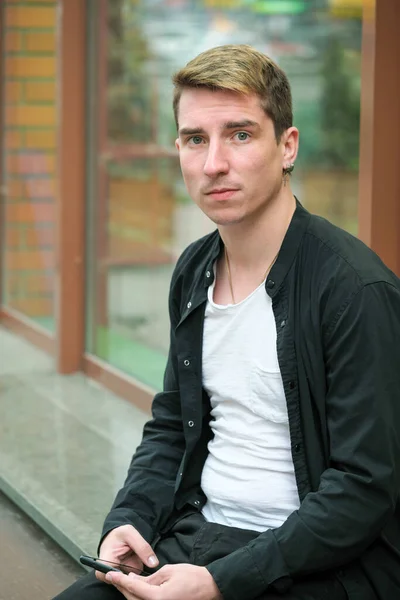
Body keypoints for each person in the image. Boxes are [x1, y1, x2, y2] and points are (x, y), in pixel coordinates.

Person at [55, 45, 400, 600]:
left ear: (287, 147)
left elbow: (364, 488)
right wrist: (131, 518)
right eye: (196, 139)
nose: (214, 162)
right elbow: (172, 423)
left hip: (318, 564)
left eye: (240, 134)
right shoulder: (194, 269)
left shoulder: (353, 289)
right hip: (197, 538)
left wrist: (220, 583)